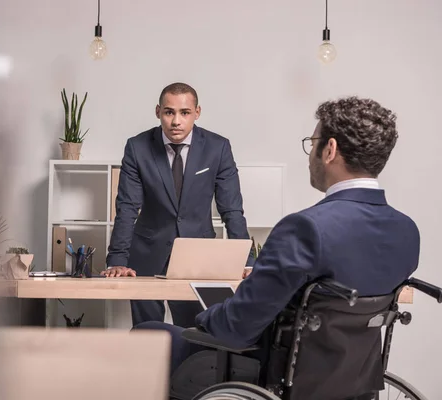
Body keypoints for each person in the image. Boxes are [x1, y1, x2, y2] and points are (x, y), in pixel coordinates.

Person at [135, 96, 420, 376]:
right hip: (352, 375)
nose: (310, 156)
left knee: (146, 333)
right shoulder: (407, 232)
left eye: (313, 144)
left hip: (276, 368)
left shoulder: (305, 228)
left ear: (330, 150)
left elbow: (238, 326)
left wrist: (207, 313)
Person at [102, 82, 253, 327]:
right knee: (147, 333)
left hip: (197, 257)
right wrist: (117, 258)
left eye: (184, 113)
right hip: (146, 253)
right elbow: (128, 206)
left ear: (197, 112)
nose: (176, 121)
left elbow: (231, 208)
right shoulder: (137, 147)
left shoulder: (218, 148)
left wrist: (246, 261)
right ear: (157, 111)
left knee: (195, 332)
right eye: (169, 112)